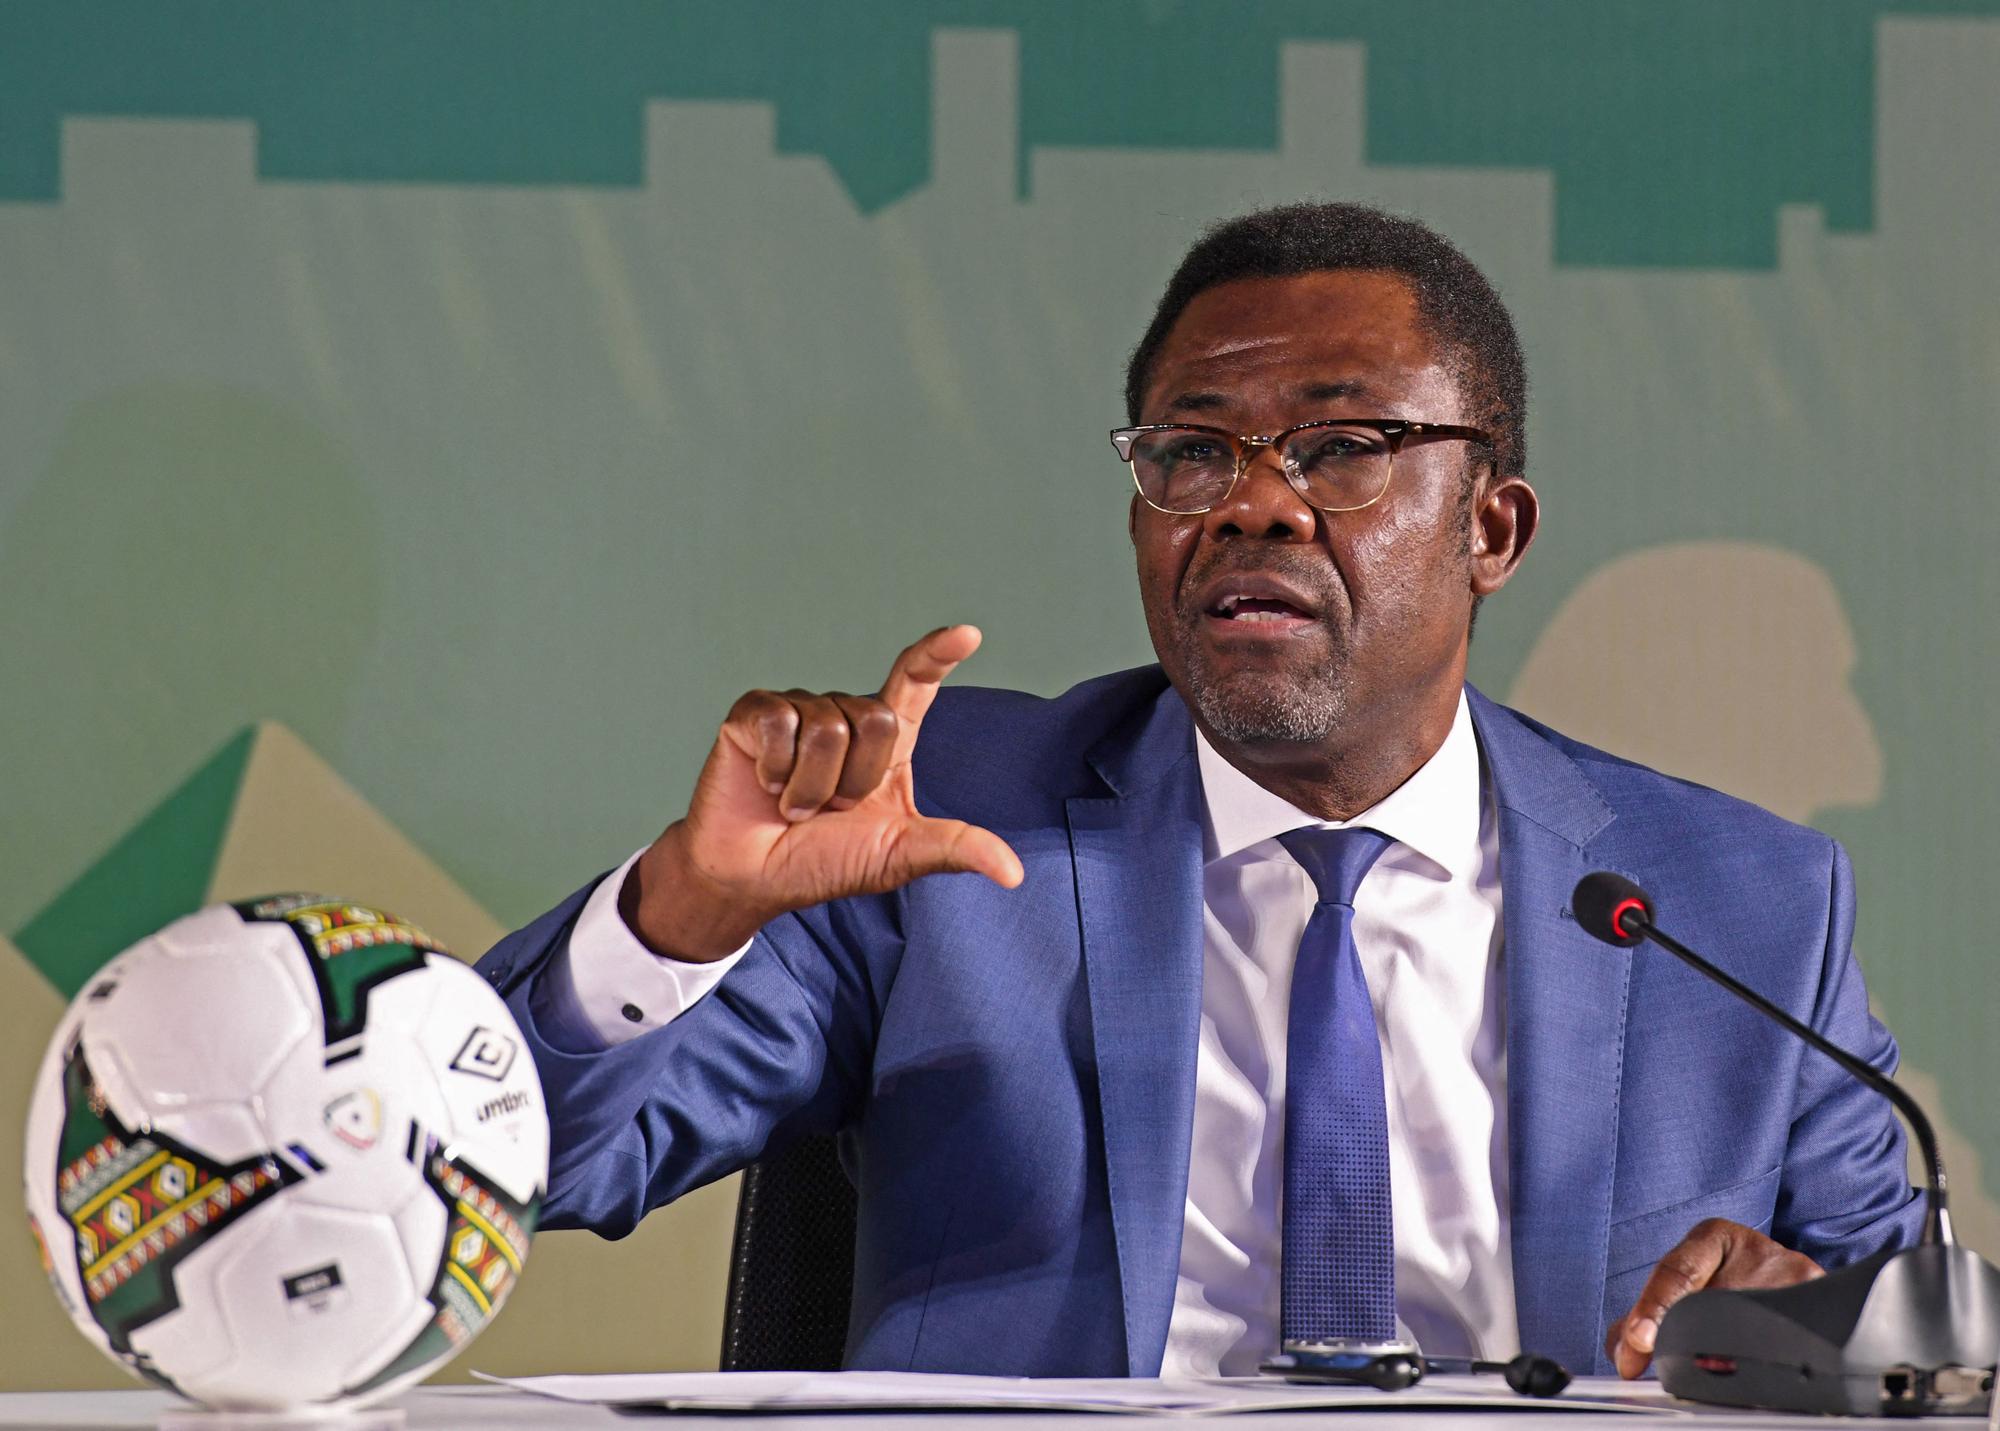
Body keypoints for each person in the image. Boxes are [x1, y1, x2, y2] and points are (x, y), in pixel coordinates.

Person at [476, 202, 1921, 1380]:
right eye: (1190, 450)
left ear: (1494, 527)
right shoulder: (944, 828)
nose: (1250, 501)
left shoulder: (1735, 903)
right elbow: (505, 1166)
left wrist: (1808, 1321)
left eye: (1344, 448)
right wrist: (682, 915)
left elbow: (1924, 1341)